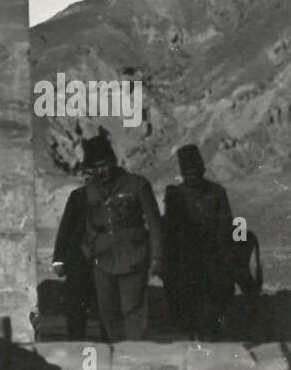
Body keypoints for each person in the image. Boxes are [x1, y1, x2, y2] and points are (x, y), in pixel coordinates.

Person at [79, 136, 163, 342]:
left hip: (132, 255)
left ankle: (135, 358)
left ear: (114, 162)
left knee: (132, 310)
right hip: (103, 260)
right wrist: (88, 250)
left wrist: (157, 257)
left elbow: (154, 224)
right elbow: (85, 224)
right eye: (96, 167)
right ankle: (115, 359)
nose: (101, 171)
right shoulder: (90, 191)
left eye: (105, 165)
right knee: (107, 312)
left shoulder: (137, 185)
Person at [163, 144, 234, 339]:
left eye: (195, 172)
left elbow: (225, 223)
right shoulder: (175, 194)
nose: (191, 177)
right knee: (183, 296)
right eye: (187, 173)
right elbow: (169, 227)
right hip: (185, 255)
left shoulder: (217, 192)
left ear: (202, 170)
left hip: (212, 253)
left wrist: (217, 250)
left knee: (215, 295)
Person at [51, 170, 95, 338]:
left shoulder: (112, 196)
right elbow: (66, 227)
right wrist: (58, 260)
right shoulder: (78, 196)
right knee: (76, 303)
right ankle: (76, 342)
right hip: (77, 258)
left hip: (104, 258)